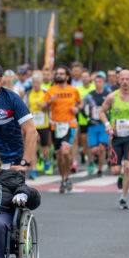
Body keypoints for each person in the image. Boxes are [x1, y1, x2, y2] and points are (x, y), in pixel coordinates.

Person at [99, 70, 129, 209]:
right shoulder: (112, 97)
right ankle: (121, 177)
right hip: (115, 137)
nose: (125, 81)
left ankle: (123, 197)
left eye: (128, 79)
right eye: (122, 79)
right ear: (118, 81)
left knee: (128, 167)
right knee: (115, 170)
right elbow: (102, 111)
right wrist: (107, 124)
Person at [42, 65, 83, 193]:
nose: (58, 75)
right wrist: (50, 102)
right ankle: (64, 178)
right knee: (59, 156)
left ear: (67, 77)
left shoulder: (73, 90)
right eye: (57, 74)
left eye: (61, 74)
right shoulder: (51, 90)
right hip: (55, 125)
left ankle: (67, 177)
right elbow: (43, 108)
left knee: (65, 152)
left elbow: (80, 103)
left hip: (70, 124)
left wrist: (77, 109)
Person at [82, 71, 109, 176]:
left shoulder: (108, 95)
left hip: (103, 125)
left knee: (102, 148)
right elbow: (82, 107)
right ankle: (92, 161)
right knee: (93, 150)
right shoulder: (89, 96)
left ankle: (100, 169)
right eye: (96, 81)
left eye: (100, 81)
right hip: (92, 125)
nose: (98, 83)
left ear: (104, 82)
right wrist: (87, 117)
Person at [26, 72, 51, 178]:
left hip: (43, 124)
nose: (35, 84)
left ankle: (46, 160)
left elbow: (49, 108)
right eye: (34, 83)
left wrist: (43, 107)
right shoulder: (29, 94)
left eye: (37, 82)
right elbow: (27, 107)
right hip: (33, 124)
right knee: (33, 146)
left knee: (44, 148)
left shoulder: (45, 92)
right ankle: (34, 169)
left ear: (40, 83)